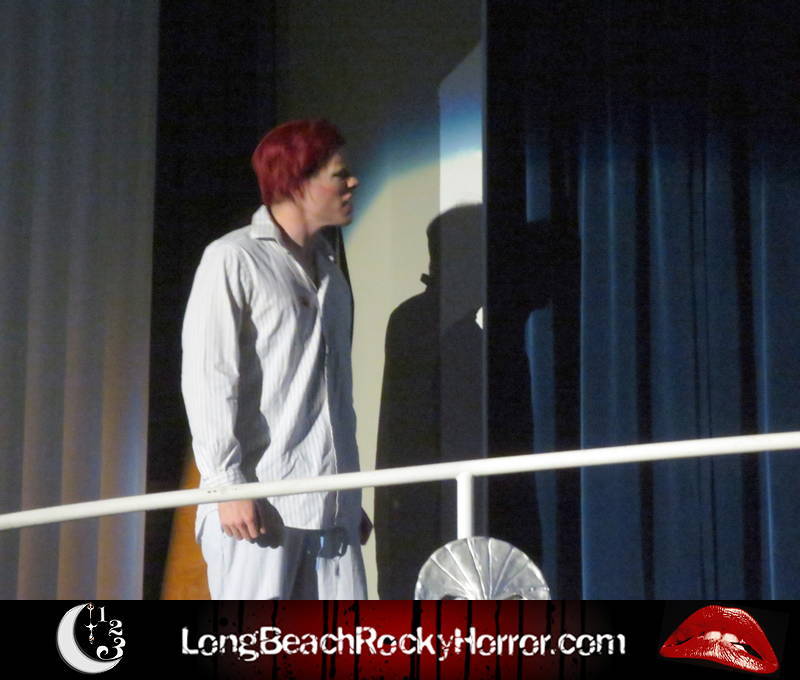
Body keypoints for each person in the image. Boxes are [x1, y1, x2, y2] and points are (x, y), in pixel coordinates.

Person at [181, 119, 371, 599]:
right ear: (296, 181)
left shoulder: (333, 275)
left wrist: (345, 493)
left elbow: (332, 393)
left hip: (332, 513)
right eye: (339, 174)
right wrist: (227, 485)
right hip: (261, 507)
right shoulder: (233, 258)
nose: (352, 182)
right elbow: (209, 378)